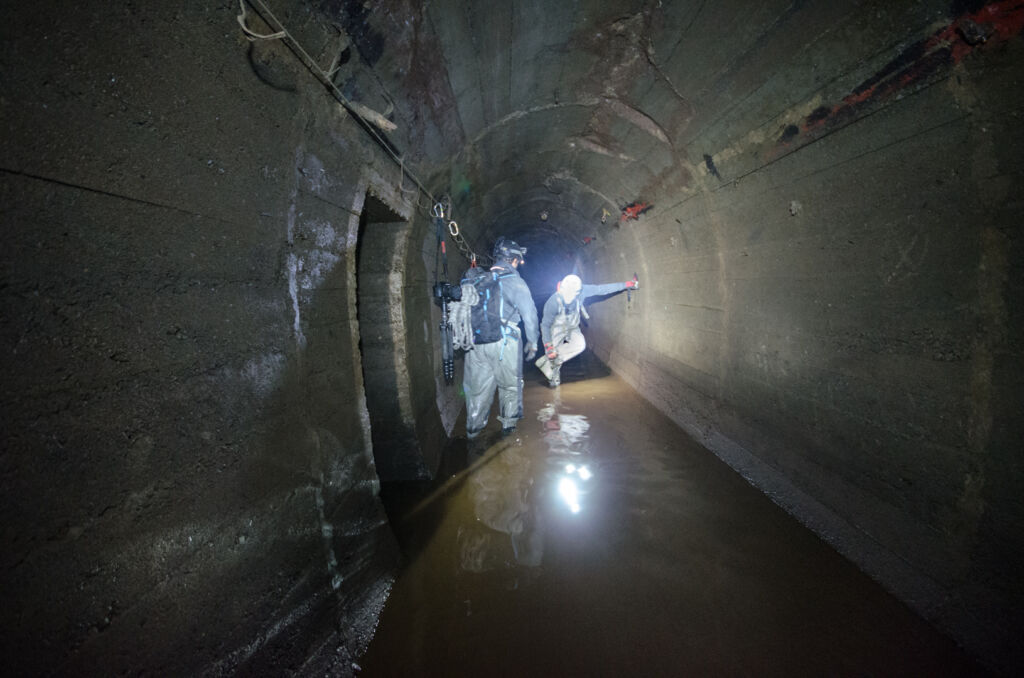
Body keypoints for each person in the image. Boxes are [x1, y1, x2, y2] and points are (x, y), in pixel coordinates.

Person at [461, 237, 539, 439]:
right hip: (504, 342)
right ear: (514, 260)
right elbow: (530, 315)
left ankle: (473, 431)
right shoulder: (515, 281)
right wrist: (533, 341)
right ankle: (509, 433)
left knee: (477, 390)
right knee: (510, 386)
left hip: (476, 342)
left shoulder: (478, 279)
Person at [535, 273, 639, 387]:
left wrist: (627, 284)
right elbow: (545, 325)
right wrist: (548, 346)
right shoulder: (553, 302)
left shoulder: (583, 290)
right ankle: (554, 379)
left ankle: (551, 360)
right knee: (552, 353)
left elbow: (602, 289)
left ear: (577, 292)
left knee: (580, 344)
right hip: (556, 328)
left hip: (572, 327)